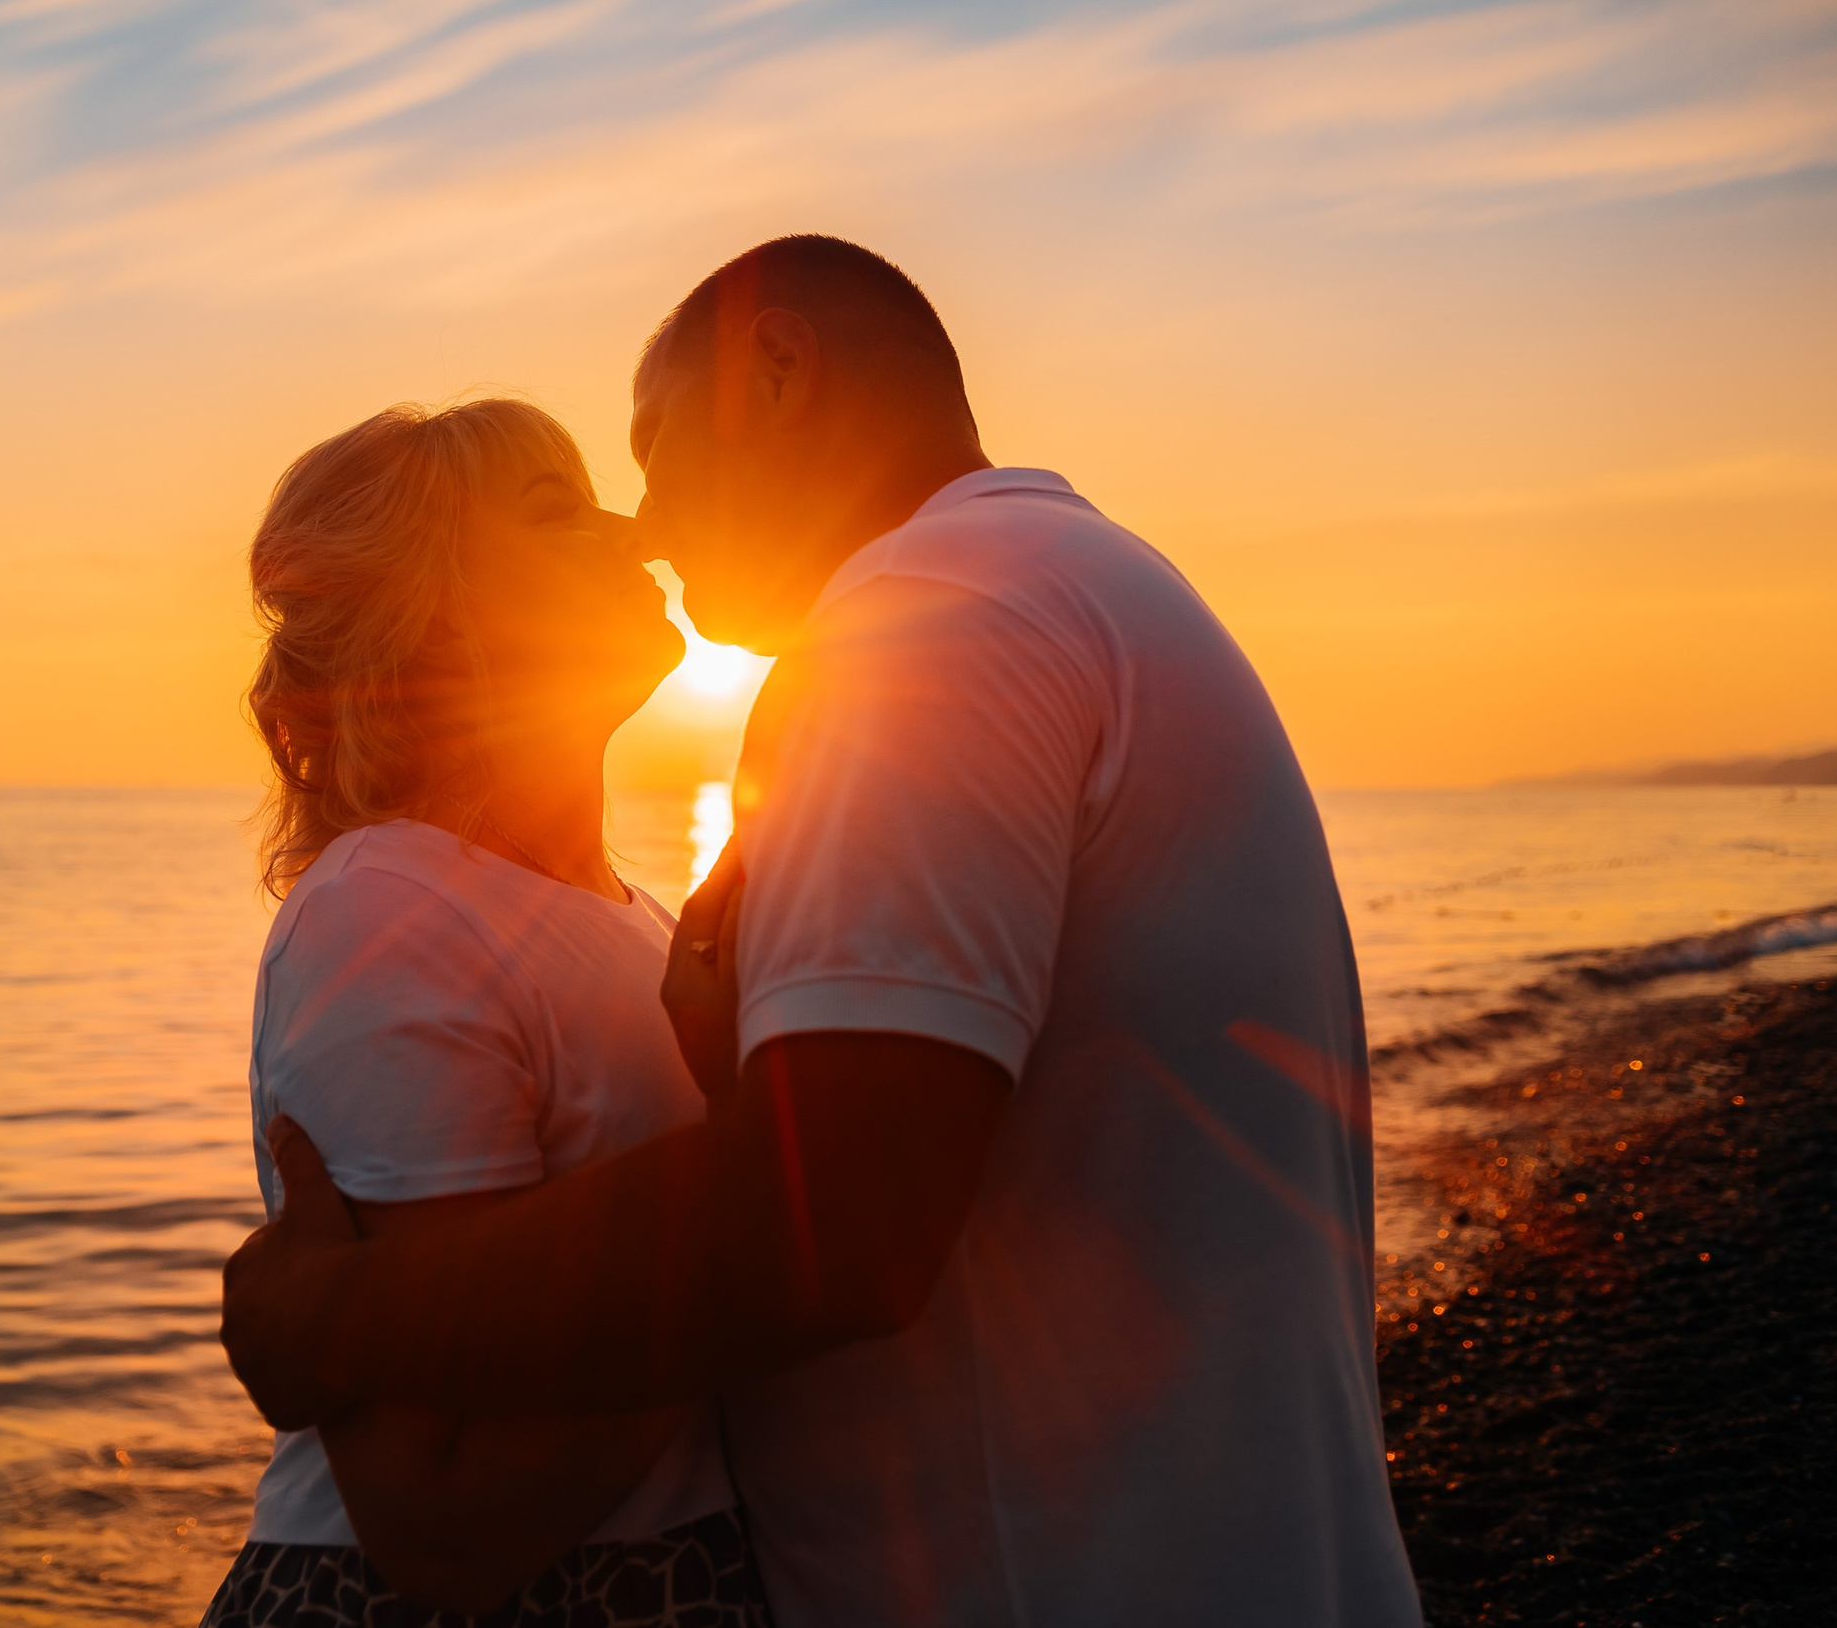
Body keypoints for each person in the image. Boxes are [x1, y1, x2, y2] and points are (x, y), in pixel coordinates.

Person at [224, 237, 1423, 1625]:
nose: (645, 521)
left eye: (655, 450)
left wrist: (337, 1314)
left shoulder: (935, 619)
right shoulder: (1048, 586)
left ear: (779, 371)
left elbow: (839, 1215)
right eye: (575, 502)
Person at [199, 399, 771, 1626]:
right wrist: (776, 1245)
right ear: (440, 611)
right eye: (555, 508)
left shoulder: (636, 917)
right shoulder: (392, 911)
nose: (631, 530)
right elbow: (441, 1518)